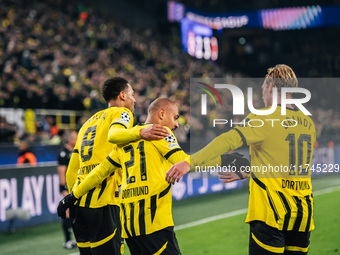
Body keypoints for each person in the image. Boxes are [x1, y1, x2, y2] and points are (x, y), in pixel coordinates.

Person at [166, 64, 316, 255]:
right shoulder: (308, 122)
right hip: (302, 215)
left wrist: (189, 162)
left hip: (272, 214)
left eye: (263, 89)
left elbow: (228, 140)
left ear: (270, 87)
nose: (262, 96)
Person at [58, 98, 192, 255]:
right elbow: (183, 160)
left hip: (129, 229)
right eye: (175, 117)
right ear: (162, 114)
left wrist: (72, 196)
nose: (176, 124)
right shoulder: (158, 132)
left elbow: (96, 172)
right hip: (154, 223)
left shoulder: (118, 141)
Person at [57, 130, 78, 249]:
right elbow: (61, 172)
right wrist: (64, 188)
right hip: (67, 187)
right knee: (68, 212)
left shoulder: (75, 151)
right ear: (69, 139)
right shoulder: (63, 153)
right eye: (75, 137)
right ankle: (67, 240)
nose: (76, 139)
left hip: (76, 186)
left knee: (76, 212)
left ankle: (74, 238)